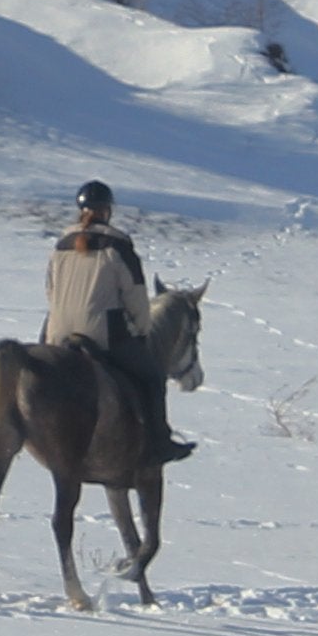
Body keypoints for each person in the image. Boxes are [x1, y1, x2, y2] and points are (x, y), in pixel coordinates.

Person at [43, 181, 194, 463]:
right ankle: (158, 443)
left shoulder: (60, 245)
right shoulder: (119, 246)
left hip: (58, 332)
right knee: (152, 378)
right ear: (108, 211)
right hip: (102, 333)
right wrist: (141, 329)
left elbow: (50, 291)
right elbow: (136, 295)